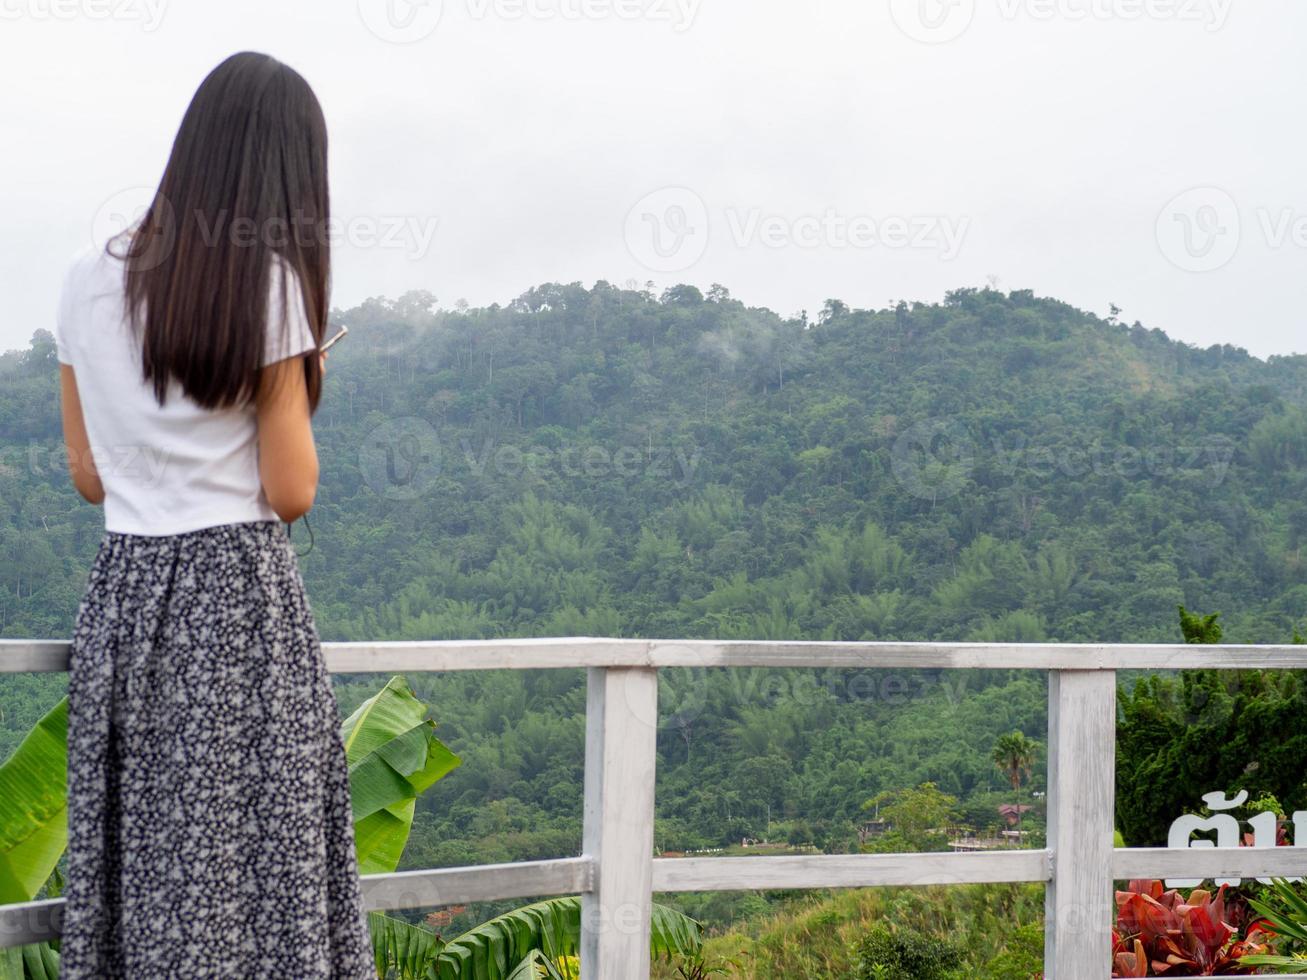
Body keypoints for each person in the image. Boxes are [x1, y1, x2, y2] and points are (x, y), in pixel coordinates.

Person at [53, 51, 375, 979]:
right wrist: (307, 377)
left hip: (126, 593)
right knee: (257, 869)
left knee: (149, 862)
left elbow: (88, 475)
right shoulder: (270, 286)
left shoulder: (83, 275)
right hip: (236, 601)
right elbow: (291, 490)